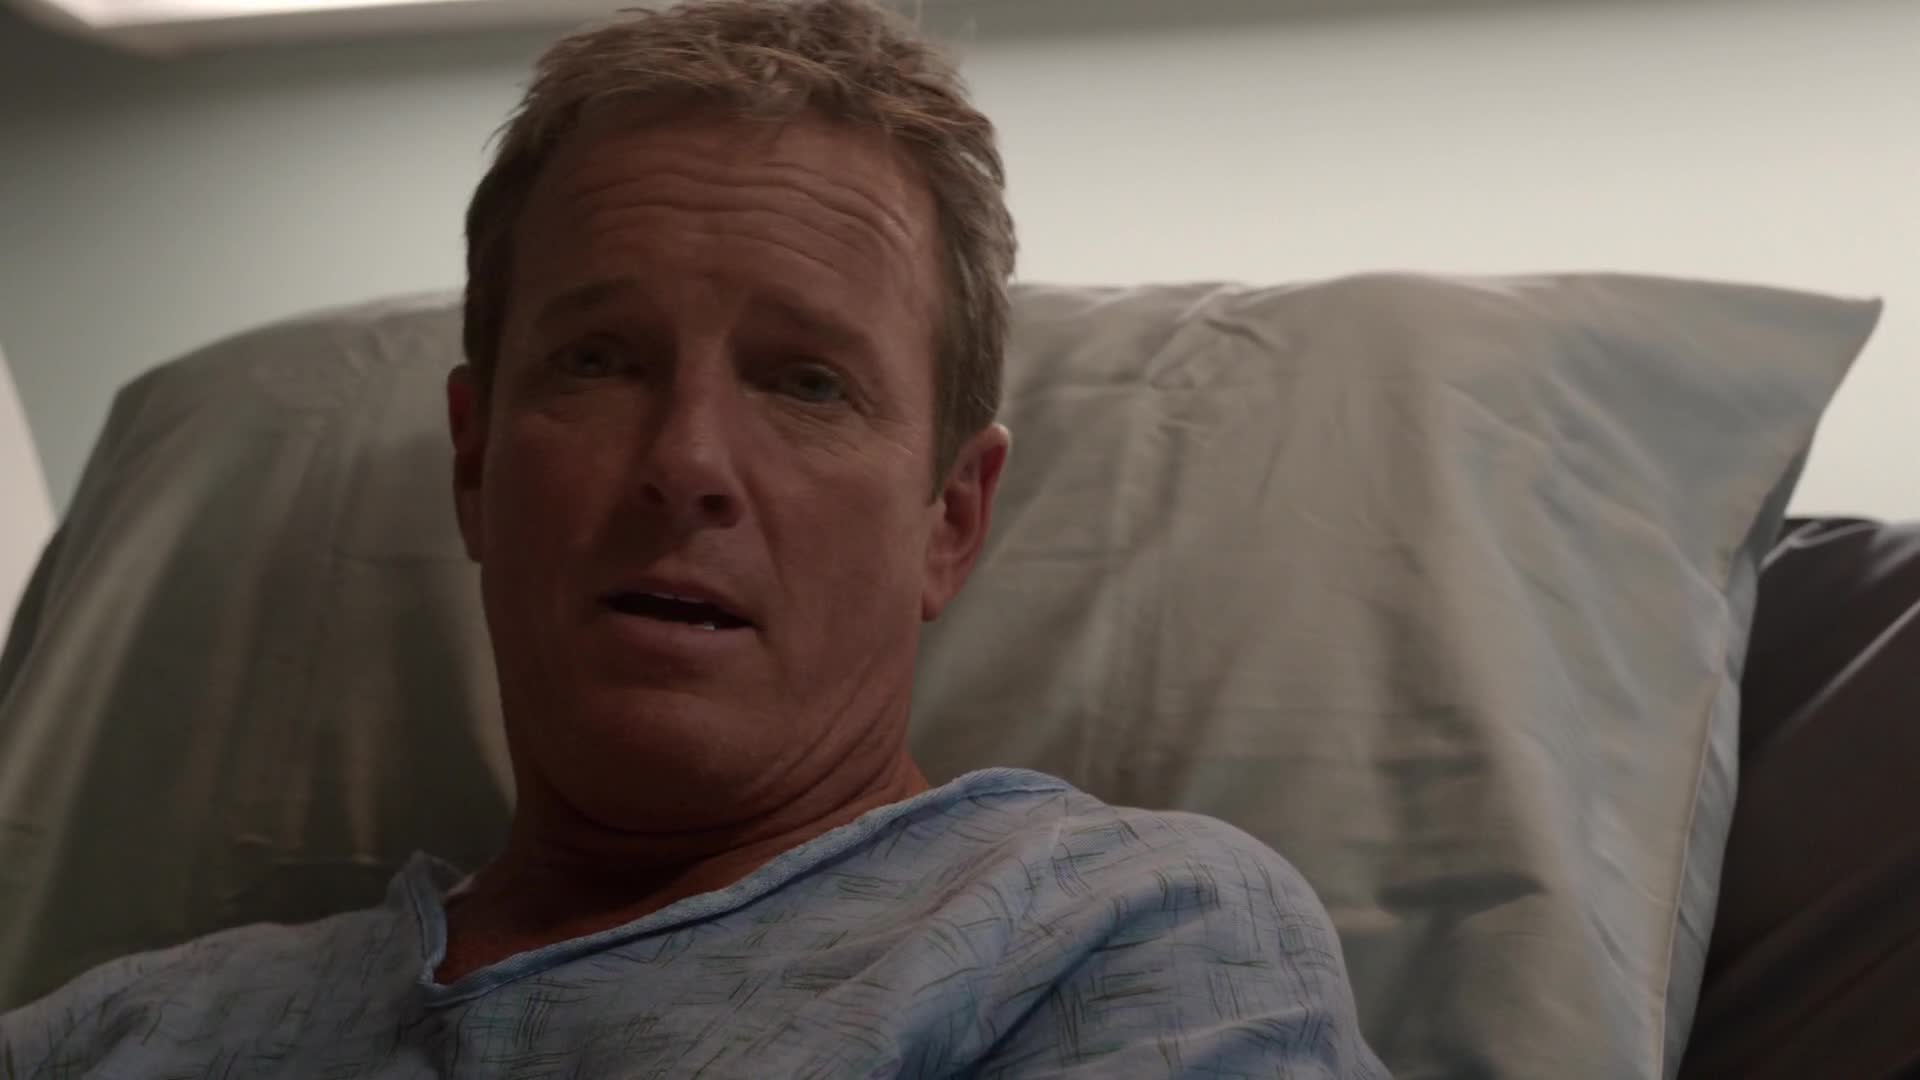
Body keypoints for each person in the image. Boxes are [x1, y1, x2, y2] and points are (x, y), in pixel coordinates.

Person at [0, 1, 1386, 1075]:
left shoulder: (1127, 943)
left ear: (950, 520)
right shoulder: (122, 1032)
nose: (686, 465)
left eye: (808, 383)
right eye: (600, 360)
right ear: (476, 462)